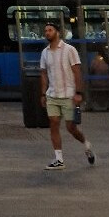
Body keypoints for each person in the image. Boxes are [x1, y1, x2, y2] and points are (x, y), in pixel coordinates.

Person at [39, 22, 95, 170]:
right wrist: (43, 93)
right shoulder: (45, 53)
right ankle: (58, 158)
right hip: (52, 94)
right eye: (45, 31)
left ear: (58, 32)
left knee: (71, 128)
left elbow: (77, 71)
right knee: (53, 124)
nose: (47, 33)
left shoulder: (70, 50)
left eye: (50, 30)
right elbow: (44, 74)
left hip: (68, 95)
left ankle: (86, 144)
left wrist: (78, 93)